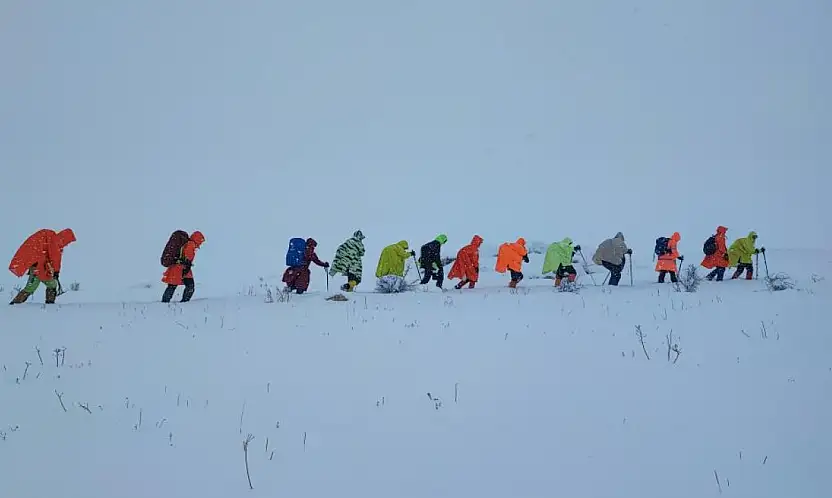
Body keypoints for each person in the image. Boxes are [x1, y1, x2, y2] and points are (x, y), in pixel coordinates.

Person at [8, 228, 77, 305]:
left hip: (41, 267)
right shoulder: (55, 241)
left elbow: (47, 256)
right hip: (38, 267)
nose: (67, 244)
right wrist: (56, 271)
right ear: (65, 238)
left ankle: (50, 305)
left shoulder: (51, 238)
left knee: (52, 284)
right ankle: (15, 304)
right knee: (31, 287)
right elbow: (55, 258)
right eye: (68, 242)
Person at [162, 231, 205, 303]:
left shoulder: (187, 243)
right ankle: (184, 302)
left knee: (172, 286)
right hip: (181, 268)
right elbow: (188, 257)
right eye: (201, 240)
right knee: (190, 286)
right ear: (197, 239)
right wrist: (187, 266)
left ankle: (165, 302)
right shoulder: (191, 244)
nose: (201, 242)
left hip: (176, 267)